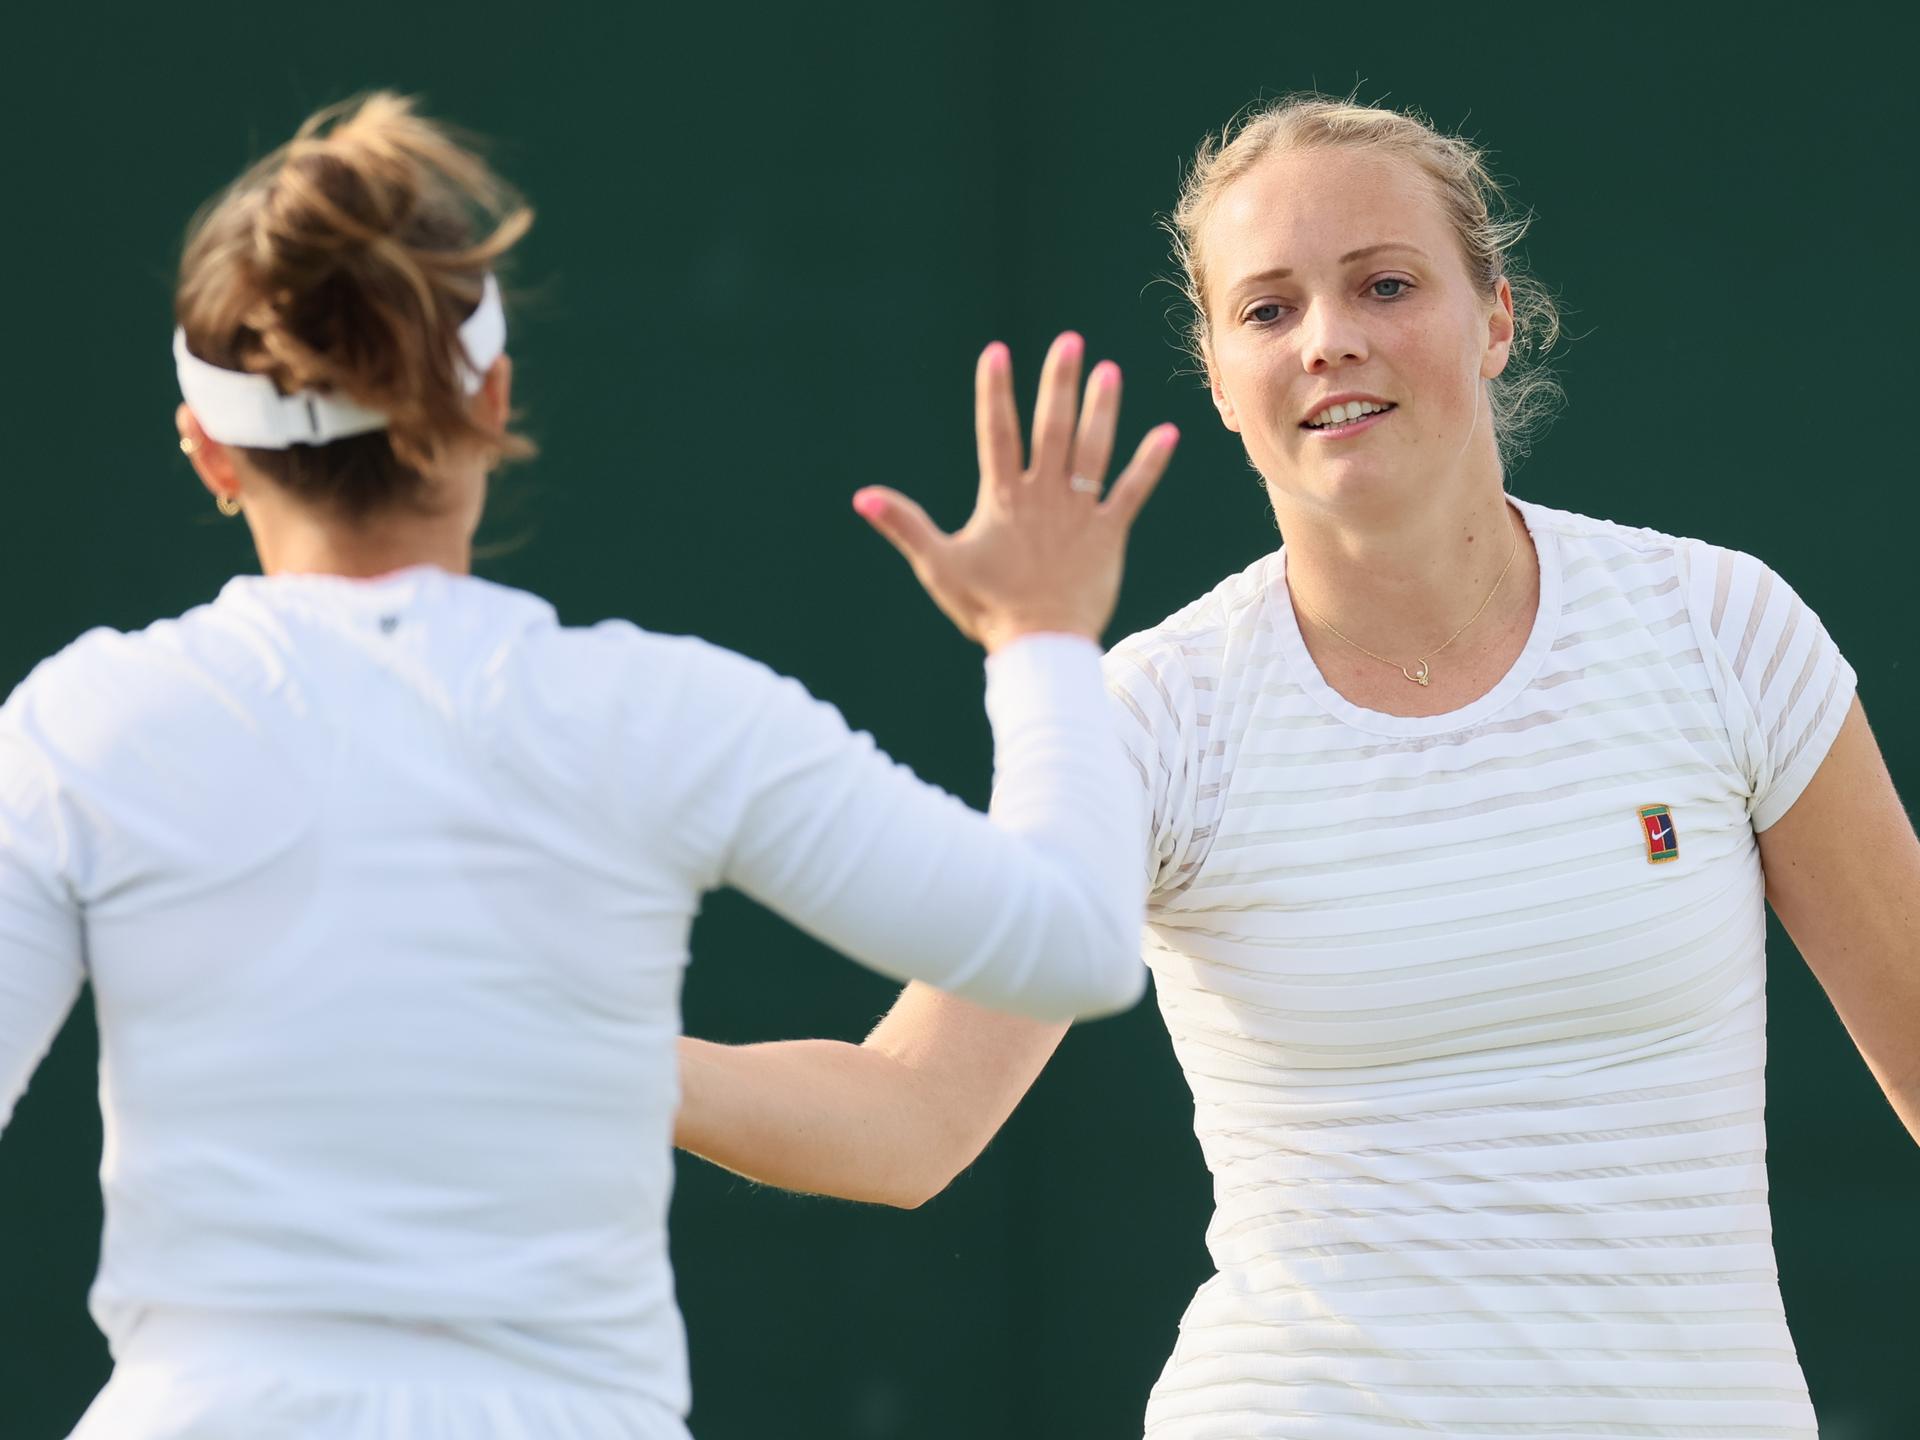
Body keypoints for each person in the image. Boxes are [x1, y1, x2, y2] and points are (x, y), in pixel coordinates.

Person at [674, 95, 1920, 1437]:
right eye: (1267, 311)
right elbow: (910, 1116)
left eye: (1386, 284)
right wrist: (590, 1045)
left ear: (1494, 319)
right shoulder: (1154, 713)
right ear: (1217, 376)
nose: (1330, 340)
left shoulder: (1720, 630)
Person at [0, 93, 1181, 1440]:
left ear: (206, 448)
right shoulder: (660, 710)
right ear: (492, 397)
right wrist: (1038, 641)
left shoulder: (84, 724)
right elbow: (1077, 945)